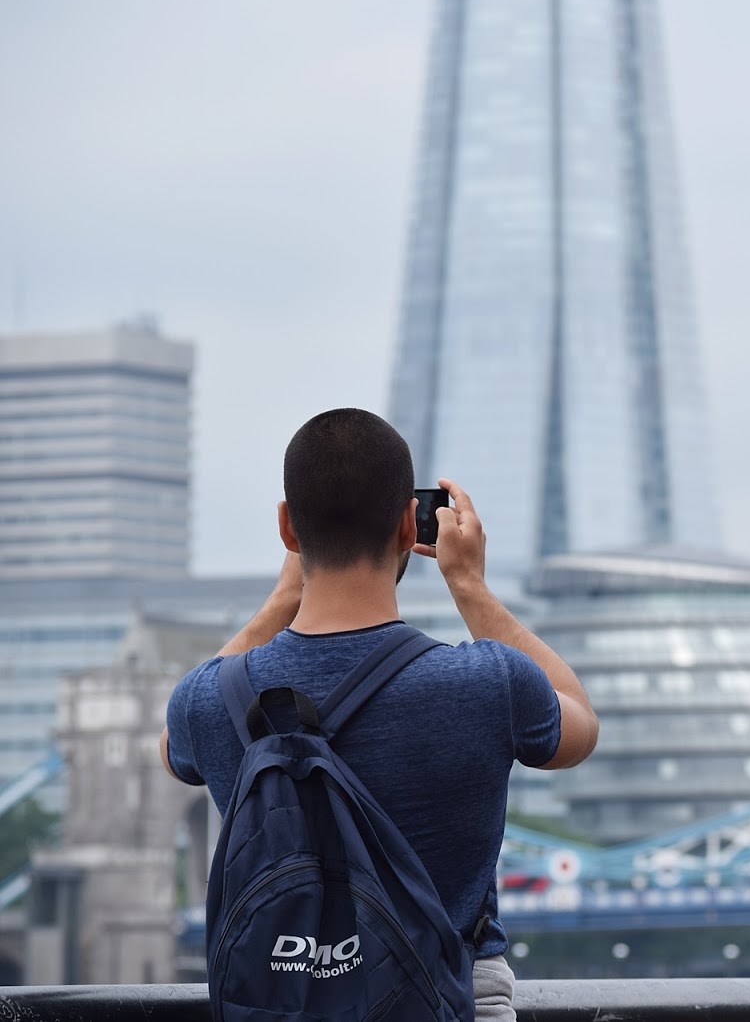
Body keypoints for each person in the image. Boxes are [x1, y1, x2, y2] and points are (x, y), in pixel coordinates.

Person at [162, 407, 598, 1021]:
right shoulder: (485, 682)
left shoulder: (210, 700)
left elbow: (170, 743)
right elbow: (579, 722)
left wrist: (284, 596)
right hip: (451, 1000)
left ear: (288, 529)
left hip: (285, 1004)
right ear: (406, 526)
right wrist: (469, 584)